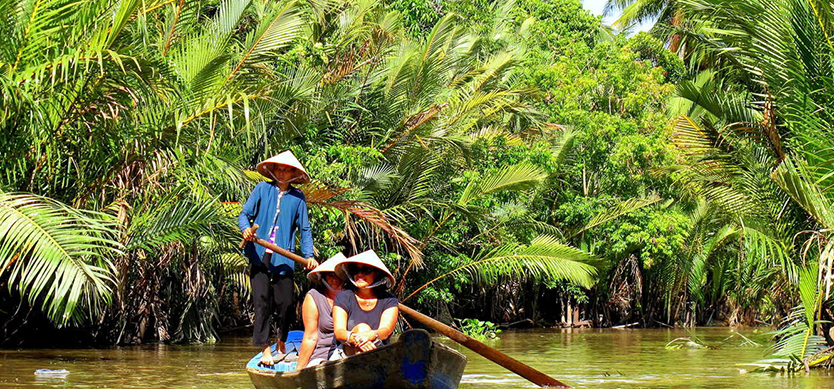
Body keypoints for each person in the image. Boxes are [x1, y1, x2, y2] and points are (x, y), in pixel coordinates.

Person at [239, 150, 319, 366]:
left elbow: (305, 228)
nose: (282, 173)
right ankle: (265, 349)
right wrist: (246, 230)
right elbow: (244, 215)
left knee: (285, 303)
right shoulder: (262, 189)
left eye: (287, 170)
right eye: (279, 169)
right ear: (273, 171)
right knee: (262, 302)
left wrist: (308, 256)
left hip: (284, 257)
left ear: (293, 173)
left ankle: (282, 342)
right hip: (259, 254)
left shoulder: (298, 197)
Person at [332, 250, 399, 357]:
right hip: (345, 352)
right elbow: (339, 332)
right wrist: (358, 339)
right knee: (362, 329)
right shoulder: (344, 297)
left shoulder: (388, 300)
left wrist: (370, 336)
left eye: (366, 271)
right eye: (356, 270)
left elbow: (386, 330)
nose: (359, 274)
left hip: (378, 350)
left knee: (364, 331)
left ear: (377, 274)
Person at [295, 252, 348, 370]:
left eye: (338, 275)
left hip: (349, 351)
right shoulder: (314, 296)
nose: (334, 279)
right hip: (323, 353)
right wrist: (299, 370)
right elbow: (310, 337)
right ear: (323, 277)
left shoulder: (353, 295)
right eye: (330, 275)